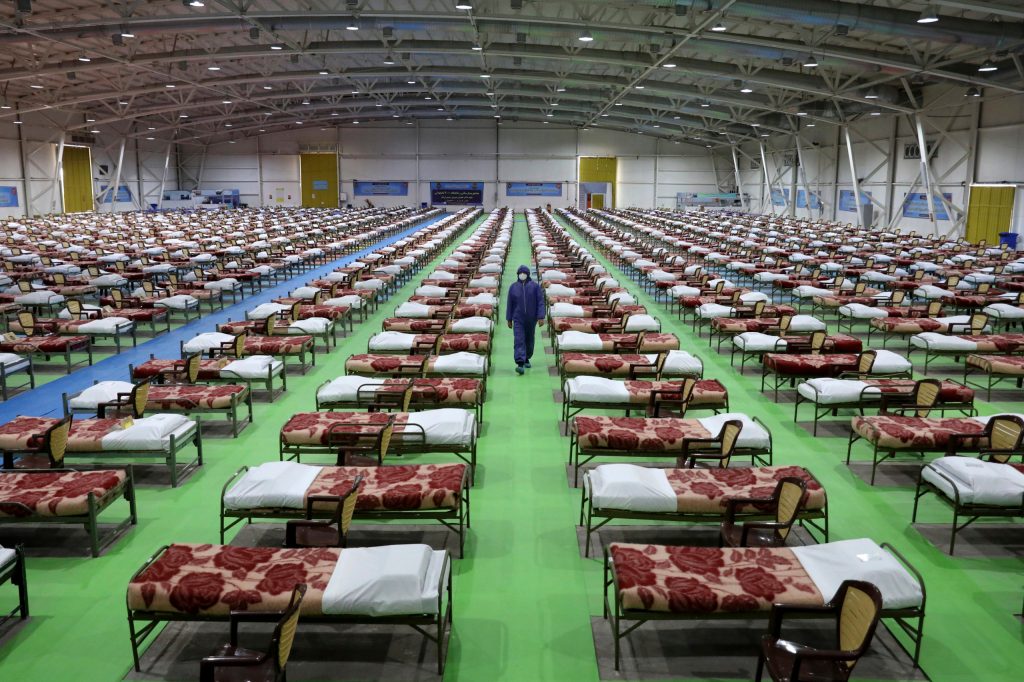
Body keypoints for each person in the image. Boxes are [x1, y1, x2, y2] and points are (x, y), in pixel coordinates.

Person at [506, 264, 545, 375]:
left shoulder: (535, 287)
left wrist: (541, 316)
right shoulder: (513, 287)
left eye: (524, 273)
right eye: (520, 273)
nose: (522, 275)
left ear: (528, 274)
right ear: (518, 274)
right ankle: (520, 363)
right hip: (518, 318)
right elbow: (510, 304)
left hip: (531, 319)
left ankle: (527, 357)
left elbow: (540, 302)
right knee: (519, 339)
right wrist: (509, 318)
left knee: (529, 339)